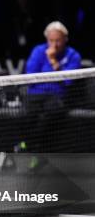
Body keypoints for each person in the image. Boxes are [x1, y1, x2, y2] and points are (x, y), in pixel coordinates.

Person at [23, 21, 81, 152]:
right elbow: (30, 74)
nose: (54, 44)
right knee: (26, 114)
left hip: (57, 96)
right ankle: (33, 147)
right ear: (46, 39)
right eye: (51, 40)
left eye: (58, 40)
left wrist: (54, 62)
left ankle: (32, 147)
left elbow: (68, 82)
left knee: (52, 113)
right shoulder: (38, 51)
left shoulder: (73, 55)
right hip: (35, 94)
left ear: (65, 39)